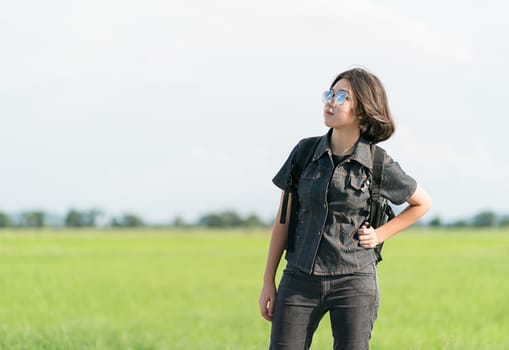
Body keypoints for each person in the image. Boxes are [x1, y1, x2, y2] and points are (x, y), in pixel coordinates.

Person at [258, 67, 432, 350]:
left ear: (363, 110)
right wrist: (269, 280)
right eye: (330, 93)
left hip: (354, 281)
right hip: (299, 279)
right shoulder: (303, 153)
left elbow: (422, 203)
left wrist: (380, 234)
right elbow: (284, 219)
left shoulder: (378, 163)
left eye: (342, 96)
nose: (331, 101)